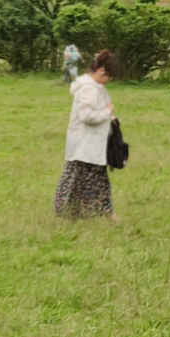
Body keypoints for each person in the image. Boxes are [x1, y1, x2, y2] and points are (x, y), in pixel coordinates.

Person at [54, 49, 119, 221]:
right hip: (85, 144)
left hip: (92, 144)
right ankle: (94, 214)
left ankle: (102, 214)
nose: (108, 81)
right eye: (108, 77)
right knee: (79, 180)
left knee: (95, 180)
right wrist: (106, 113)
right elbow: (86, 116)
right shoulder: (88, 89)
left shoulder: (95, 87)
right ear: (101, 71)